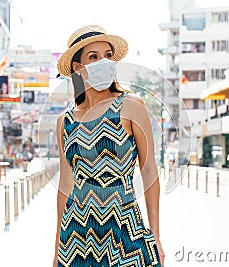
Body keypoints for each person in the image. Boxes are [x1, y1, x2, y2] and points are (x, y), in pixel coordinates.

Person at [52, 25, 164, 267]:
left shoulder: (132, 105)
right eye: (94, 57)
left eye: (108, 55)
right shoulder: (65, 122)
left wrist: (155, 236)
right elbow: (64, 187)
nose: (104, 61)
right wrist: (57, 251)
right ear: (78, 68)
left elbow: (149, 171)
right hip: (76, 237)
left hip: (125, 231)